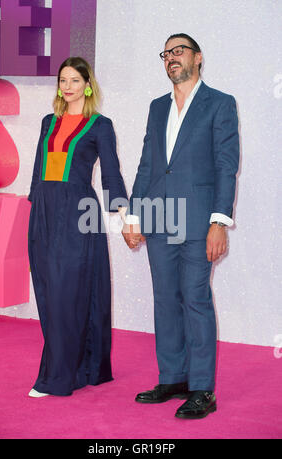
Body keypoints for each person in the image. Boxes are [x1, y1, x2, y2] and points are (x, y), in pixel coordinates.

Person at [122, 34, 239, 419]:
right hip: (158, 219)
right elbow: (146, 165)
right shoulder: (157, 108)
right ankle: (173, 377)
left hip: (198, 220)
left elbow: (226, 166)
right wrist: (135, 215)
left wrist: (219, 221)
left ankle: (203, 389)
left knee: (195, 299)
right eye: (167, 53)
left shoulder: (220, 104)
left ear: (198, 58)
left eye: (179, 51)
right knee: (165, 301)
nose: (171, 58)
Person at [28, 57, 127, 397]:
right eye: (62, 80)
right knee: (48, 291)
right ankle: (76, 367)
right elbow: (39, 169)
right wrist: (35, 204)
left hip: (79, 216)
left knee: (66, 293)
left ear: (87, 83)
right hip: (44, 213)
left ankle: (56, 377)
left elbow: (111, 173)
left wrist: (125, 215)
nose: (67, 86)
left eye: (74, 80)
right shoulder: (47, 122)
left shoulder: (100, 125)